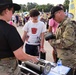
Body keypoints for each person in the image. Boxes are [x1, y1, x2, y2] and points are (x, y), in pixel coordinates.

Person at [0, 0, 38, 75]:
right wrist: (32, 58)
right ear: (7, 10)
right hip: (7, 70)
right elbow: (20, 55)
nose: (12, 14)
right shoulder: (9, 29)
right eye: (13, 11)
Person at [48, 6, 76, 74]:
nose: (53, 19)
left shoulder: (69, 24)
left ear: (59, 13)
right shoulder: (62, 24)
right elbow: (61, 37)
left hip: (69, 59)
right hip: (64, 57)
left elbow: (67, 42)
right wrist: (52, 36)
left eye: (53, 16)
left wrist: (52, 42)